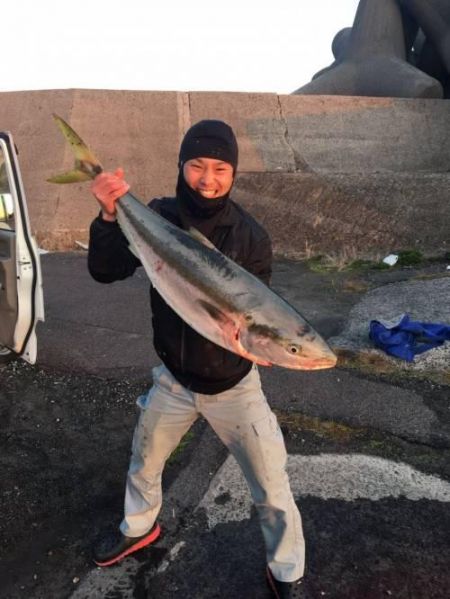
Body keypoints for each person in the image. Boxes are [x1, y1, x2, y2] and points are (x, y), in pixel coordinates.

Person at [88, 119, 308, 598]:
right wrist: (108, 216)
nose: (208, 178)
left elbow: (261, 313)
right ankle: (138, 527)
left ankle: (287, 570)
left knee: (271, 483)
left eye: (220, 168)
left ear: (233, 174)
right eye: (197, 166)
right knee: (144, 462)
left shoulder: (251, 238)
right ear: (182, 166)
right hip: (174, 378)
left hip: (234, 385)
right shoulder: (157, 216)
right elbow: (105, 271)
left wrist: (265, 345)